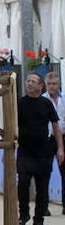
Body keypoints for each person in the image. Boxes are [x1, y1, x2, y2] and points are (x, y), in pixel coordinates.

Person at [16, 72, 63, 225]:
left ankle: (39, 221)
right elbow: (12, 125)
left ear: (40, 86)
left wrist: (60, 148)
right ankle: (23, 214)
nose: (29, 83)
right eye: (28, 80)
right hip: (24, 152)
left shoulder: (46, 104)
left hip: (44, 152)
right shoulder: (20, 103)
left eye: (33, 81)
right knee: (22, 184)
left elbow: (56, 126)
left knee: (42, 189)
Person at [47, 71, 64, 215]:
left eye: (54, 84)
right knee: (45, 172)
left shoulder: (63, 99)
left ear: (59, 85)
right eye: (49, 84)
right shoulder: (43, 100)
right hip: (47, 138)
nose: (52, 86)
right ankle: (43, 206)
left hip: (63, 137)